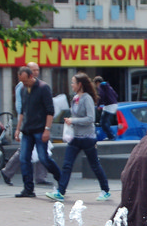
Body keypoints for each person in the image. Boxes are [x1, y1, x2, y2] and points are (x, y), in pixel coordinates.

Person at [45, 72, 111, 203]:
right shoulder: (75, 98)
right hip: (75, 138)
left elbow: (91, 118)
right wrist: (70, 120)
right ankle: (60, 192)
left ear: (80, 84)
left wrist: (73, 120)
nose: (71, 85)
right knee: (67, 165)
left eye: (73, 82)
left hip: (87, 138)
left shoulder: (87, 98)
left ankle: (105, 190)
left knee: (95, 165)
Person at [14, 65, 62, 198]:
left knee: (43, 158)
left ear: (31, 76)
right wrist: (18, 129)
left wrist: (47, 129)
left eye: (25, 81)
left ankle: (61, 178)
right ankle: (28, 189)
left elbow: (50, 111)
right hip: (27, 130)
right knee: (24, 159)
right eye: (21, 81)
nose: (24, 84)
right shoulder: (23, 89)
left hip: (40, 130)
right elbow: (22, 111)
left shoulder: (43, 88)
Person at [0, 62, 51, 186]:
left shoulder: (41, 85)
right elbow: (20, 107)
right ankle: (8, 172)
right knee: (25, 150)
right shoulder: (22, 86)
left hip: (39, 122)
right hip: (28, 123)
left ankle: (40, 177)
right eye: (33, 70)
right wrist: (20, 126)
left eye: (37, 70)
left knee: (42, 149)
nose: (36, 72)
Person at [93, 76, 118, 141]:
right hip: (114, 104)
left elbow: (101, 96)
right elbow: (116, 95)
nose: (96, 86)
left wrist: (98, 105)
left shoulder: (101, 86)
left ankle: (111, 136)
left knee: (102, 122)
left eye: (95, 84)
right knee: (107, 121)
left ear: (97, 82)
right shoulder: (108, 86)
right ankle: (110, 136)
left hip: (109, 106)